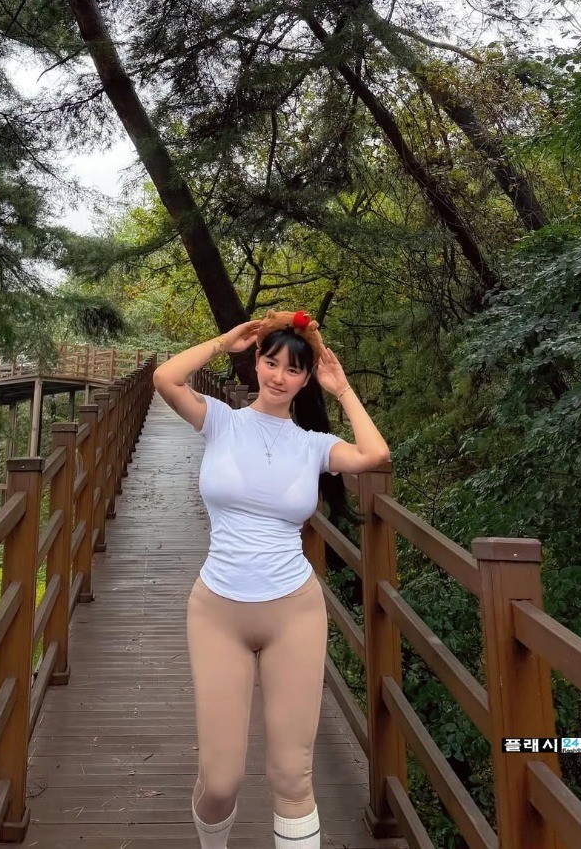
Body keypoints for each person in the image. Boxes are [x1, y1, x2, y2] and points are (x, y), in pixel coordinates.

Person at [152, 310, 390, 849]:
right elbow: (165, 378)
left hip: (293, 611)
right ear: (256, 362)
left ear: (306, 379)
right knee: (220, 781)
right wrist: (223, 341)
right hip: (218, 610)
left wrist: (342, 388)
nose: (280, 376)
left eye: (294, 368)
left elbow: (374, 454)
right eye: (271, 362)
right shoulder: (220, 421)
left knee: (292, 776)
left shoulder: (313, 446)